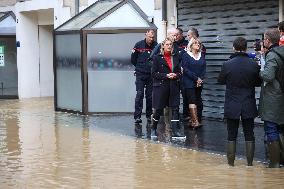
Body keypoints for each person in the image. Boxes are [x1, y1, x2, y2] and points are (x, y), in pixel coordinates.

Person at [218, 37, 261, 166]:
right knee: (249, 134)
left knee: (231, 134)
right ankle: (249, 164)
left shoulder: (227, 64)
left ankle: (231, 165)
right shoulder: (254, 64)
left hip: (232, 104)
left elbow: (220, 80)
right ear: (246, 48)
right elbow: (258, 82)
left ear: (234, 48)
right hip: (248, 103)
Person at [259, 28, 284, 168]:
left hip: (274, 97)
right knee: (281, 128)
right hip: (282, 95)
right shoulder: (281, 51)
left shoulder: (272, 55)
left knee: (271, 128)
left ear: (268, 40)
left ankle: (274, 163)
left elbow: (268, 75)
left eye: (264, 39)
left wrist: (260, 70)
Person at [151, 37, 182, 138]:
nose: (169, 46)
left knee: (175, 109)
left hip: (173, 86)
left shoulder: (176, 57)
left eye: (171, 45)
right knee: (159, 109)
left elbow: (180, 73)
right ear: (163, 46)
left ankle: (175, 131)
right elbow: (154, 74)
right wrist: (166, 75)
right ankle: (153, 129)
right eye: (167, 44)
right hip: (161, 87)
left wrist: (176, 75)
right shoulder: (156, 58)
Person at [131, 29, 158, 136]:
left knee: (150, 96)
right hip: (141, 74)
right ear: (146, 35)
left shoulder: (156, 45)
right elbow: (133, 59)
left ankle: (148, 115)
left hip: (151, 75)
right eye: (150, 36)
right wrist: (139, 68)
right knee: (139, 94)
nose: (151, 39)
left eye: (153, 37)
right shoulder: (138, 45)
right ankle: (137, 117)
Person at [182, 28, 206, 123]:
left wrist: (200, 79)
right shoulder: (186, 55)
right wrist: (196, 78)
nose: (198, 45)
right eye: (195, 43)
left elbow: (203, 68)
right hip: (189, 81)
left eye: (199, 44)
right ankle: (194, 121)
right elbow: (185, 69)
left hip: (199, 82)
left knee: (199, 101)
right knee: (192, 100)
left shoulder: (201, 55)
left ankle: (199, 119)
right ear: (191, 45)